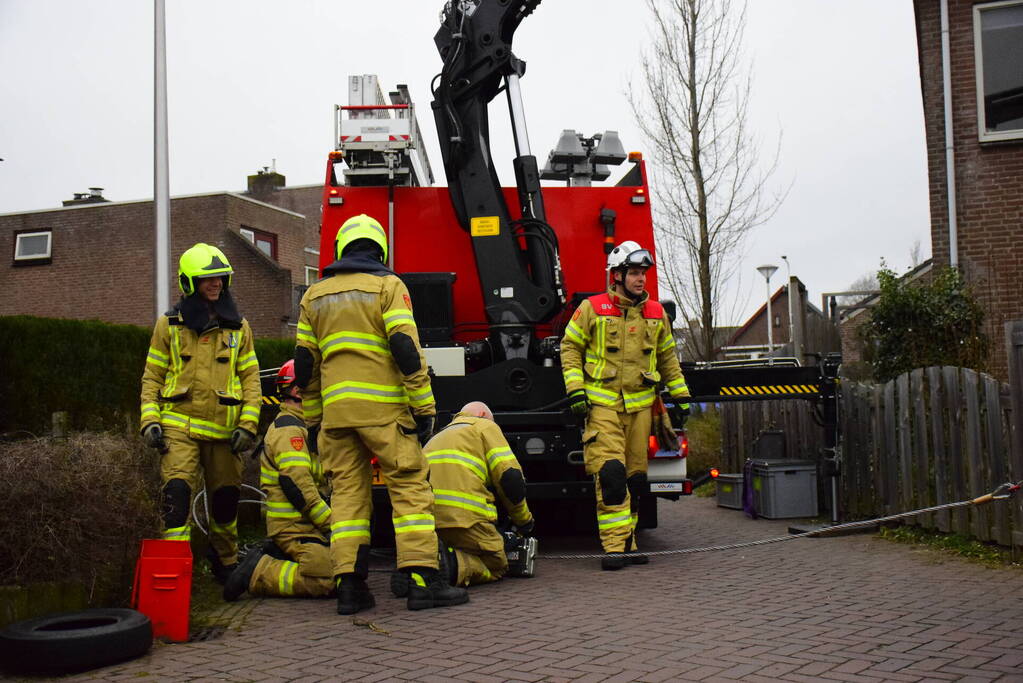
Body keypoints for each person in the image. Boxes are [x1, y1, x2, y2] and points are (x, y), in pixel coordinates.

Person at [295, 213, 469, 614]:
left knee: (347, 498)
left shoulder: (314, 296)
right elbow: (406, 350)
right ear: (379, 249)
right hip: (384, 411)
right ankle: (423, 581)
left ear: (342, 249)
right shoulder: (388, 286)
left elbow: (305, 363)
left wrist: (313, 418)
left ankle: (351, 589)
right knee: (409, 488)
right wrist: (424, 407)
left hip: (337, 417)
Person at [559, 240, 691, 570]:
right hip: (602, 406)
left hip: (641, 407)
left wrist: (681, 396)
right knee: (612, 475)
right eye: (633, 273)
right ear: (616, 275)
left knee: (634, 479)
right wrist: (576, 390)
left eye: (642, 274)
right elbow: (570, 348)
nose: (640, 279)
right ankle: (614, 547)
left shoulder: (657, 314)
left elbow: (668, 359)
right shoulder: (592, 308)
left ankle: (629, 542)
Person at [140, 243, 261, 582]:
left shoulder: (239, 328)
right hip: (179, 427)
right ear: (189, 282)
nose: (216, 284)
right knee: (176, 498)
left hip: (225, 433)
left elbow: (251, 379)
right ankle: (176, 573)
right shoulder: (169, 325)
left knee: (225, 501)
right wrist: (150, 420)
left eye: (221, 278)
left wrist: (249, 424)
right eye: (208, 279)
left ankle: (225, 562)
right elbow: (152, 376)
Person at [223, 360, 334, 601]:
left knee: (350, 566)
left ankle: (276, 556)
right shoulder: (289, 431)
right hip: (293, 527)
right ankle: (259, 570)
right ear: (297, 391)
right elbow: (297, 486)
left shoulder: (306, 427)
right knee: (328, 578)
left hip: (306, 525)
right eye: (317, 385)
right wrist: (331, 524)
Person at [402, 401, 534, 591]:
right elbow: (510, 480)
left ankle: (421, 569)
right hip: (467, 520)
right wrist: (524, 521)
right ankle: (448, 564)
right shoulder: (484, 426)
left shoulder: (436, 436)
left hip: (430, 524)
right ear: (481, 414)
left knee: (463, 548)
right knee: (496, 564)